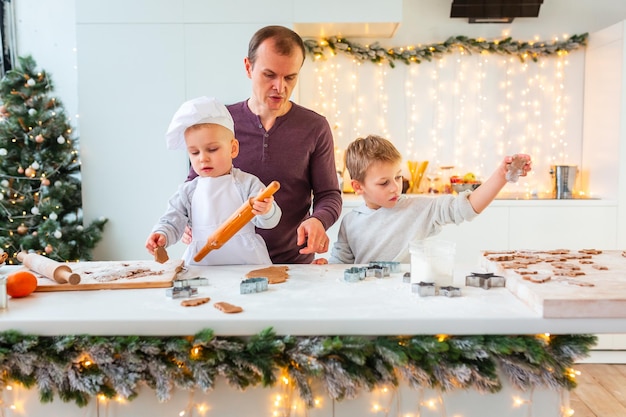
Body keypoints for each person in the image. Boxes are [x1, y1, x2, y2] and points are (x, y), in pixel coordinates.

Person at [186, 25, 342, 264]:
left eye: (290, 77)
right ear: (249, 67)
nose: (280, 87)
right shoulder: (220, 122)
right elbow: (195, 185)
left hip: (293, 265)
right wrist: (189, 219)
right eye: (269, 75)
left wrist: (319, 220)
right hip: (226, 265)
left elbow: (329, 194)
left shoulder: (315, 127)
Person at [327, 135, 532, 264]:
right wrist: (324, 269)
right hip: (369, 303)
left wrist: (500, 176)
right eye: (384, 183)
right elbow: (340, 265)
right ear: (358, 186)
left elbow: (467, 207)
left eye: (398, 177)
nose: (395, 187)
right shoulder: (350, 222)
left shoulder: (418, 208)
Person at [146, 96, 281, 266]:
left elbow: (269, 222)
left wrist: (266, 210)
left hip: (247, 264)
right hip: (202, 266)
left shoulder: (248, 184)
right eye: (194, 152)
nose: (203, 159)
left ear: (233, 148)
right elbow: (172, 220)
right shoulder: (187, 192)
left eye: (212, 149)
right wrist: (162, 234)